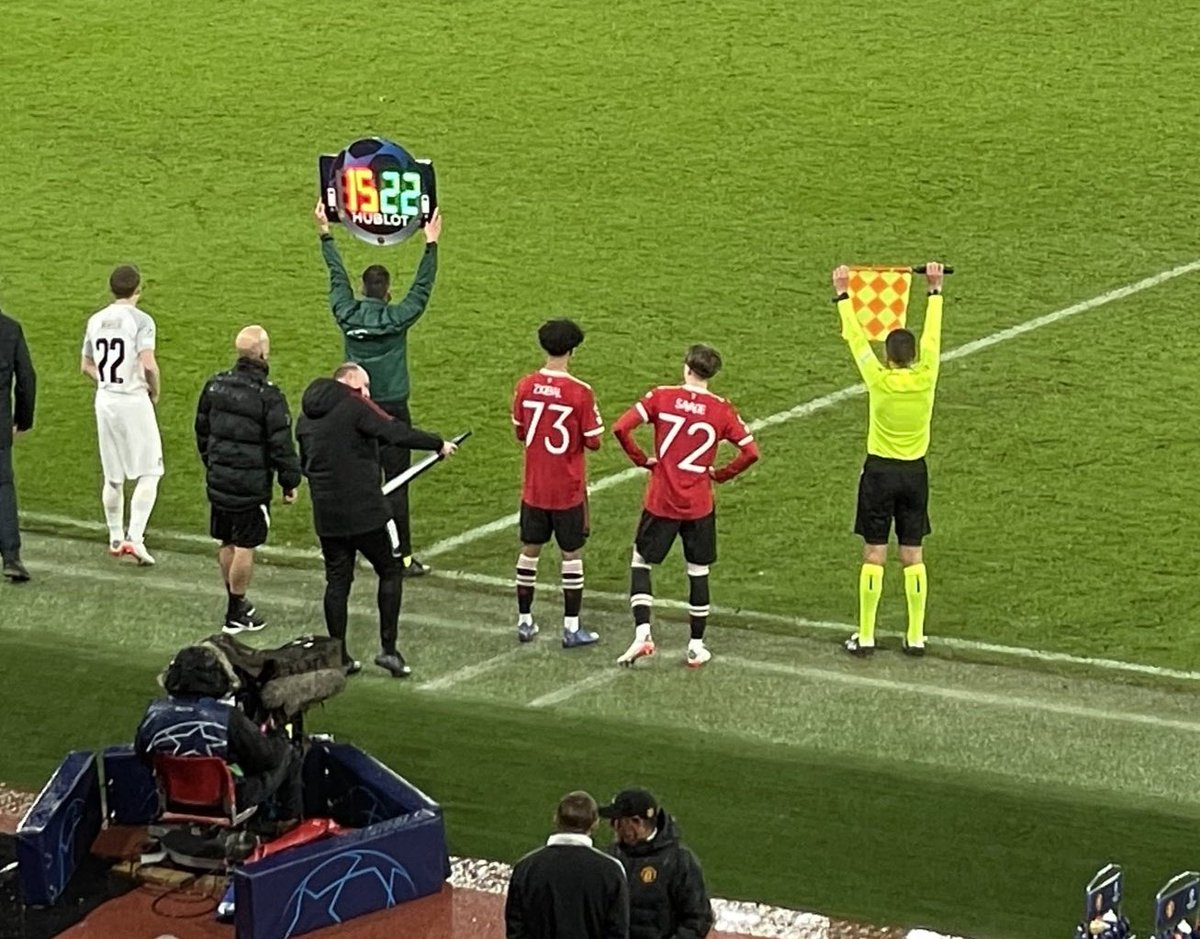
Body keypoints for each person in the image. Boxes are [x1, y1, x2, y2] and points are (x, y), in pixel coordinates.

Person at [296, 363, 456, 677]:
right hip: (366, 511)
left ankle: (338, 653)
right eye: (364, 387)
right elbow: (395, 430)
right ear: (348, 383)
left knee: (337, 579)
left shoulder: (306, 418)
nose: (368, 393)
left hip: (327, 513)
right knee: (390, 569)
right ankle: (388, 650)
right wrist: (437, 443)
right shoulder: (355, 405)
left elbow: (308, 462)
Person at [315, 200, 442, 578]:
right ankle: (401, 556)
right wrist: (430, 244)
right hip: (391, 411)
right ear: (387, 292)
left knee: (355, 479)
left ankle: (344, 547)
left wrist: (326, 234)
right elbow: (422, 290)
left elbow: (336, 279)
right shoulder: (398, 318)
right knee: (396, 484)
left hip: (350, 411)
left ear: (362, 288)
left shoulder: (346, 314)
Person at [612, 345, 759, 668]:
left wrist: (642, 460)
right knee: (698, 570)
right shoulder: (721, 409)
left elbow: (621, 427)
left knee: (641, 561)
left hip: (662, 499)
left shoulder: (661, 396)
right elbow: (751, 452)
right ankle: (695, 646)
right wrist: (720, 475)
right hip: (699, 504)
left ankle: (642, 634)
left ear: (686, 368)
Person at [833, 262, 945, 657]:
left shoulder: (878, 379)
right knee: (912, 553)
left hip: (879, 472)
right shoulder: (927, 374)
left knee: (874, 551)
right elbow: (934, 337)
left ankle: (865, 635)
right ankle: (915, 636)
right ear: (914, 355)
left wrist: (843, 294)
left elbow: (854, 340)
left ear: (888, 355)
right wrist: (934, 290)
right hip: (915, 473)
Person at [195, 326, 302, 635]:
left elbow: (202, 430)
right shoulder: (267, 395)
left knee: (226, 540)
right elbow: (280, 444)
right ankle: (235, 612)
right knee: (245, 544)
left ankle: (236, 604)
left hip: (219, 479)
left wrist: (212, 462)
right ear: (263, 353)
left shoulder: (214, 386)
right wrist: (289, 481)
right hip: (250, 485)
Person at [511, 319, 605, 648]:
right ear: (573, 350)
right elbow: (594, 441)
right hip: (567, 489)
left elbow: (520, 431)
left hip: (534, 487)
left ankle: (524, 621)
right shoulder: (580, 392)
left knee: (529, 551)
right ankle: (571, 626)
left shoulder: (525, 385)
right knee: (572, 555)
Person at [135, 645, 302, 819]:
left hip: (172, 798)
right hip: (224, 800)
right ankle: (288, 822)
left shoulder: (154, 713)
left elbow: (143, 755)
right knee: (289, 753)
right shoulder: (226, 717)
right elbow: (267, 758)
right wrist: (278, 737)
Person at [81, 265, 163, 566]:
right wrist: (153, 390)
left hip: (105, 399)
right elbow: (149, 363)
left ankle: (115, 536)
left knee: (113, 474)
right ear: (138, 289)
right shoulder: (141, 321)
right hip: (132, 400)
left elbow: (86, 365)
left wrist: (107, 380)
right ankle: (135, 538)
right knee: (151, 471)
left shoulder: (95, 320)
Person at [506, 790, 629, 939]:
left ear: (556, 819)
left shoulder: (526, 867)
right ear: (594, 823)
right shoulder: (611, 871)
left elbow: (516, 929)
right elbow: (617, 932)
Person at [601, 788, 714, 939]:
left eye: (618, 821)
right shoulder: (610, 857)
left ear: (636, 821)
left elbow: (698, 919)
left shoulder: (679, 861)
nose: (613, 827)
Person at [0, 307, 36, 582]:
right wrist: (22, 420)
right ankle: (12, 558)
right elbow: (26, 379)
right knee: (2, 488)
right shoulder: (10, 328)